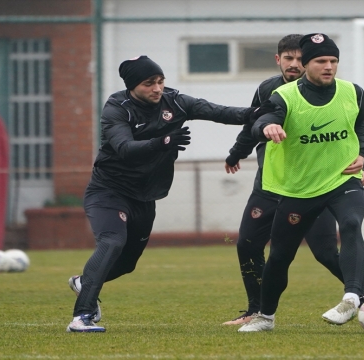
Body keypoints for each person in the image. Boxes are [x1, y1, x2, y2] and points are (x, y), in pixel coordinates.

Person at [66, 55, 256, 332]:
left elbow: (221, 112)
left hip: (145, 197)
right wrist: (164, 141)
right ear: (133, 86)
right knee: (112, 242)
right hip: (109, 191)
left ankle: (84, 282)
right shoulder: (117, 108)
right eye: (149, 83)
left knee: (127, 264)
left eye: (160, 81)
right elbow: (124, 148)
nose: (157, 88)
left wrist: (258, 112)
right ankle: (81, 317)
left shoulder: (175, 101)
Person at [222, 34, 364, 326]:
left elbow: (357, 126)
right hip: (291, 186)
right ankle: (263, 314)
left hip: (339, 180)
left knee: (350, 226)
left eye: (333, 61)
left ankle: (354, 296)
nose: (329, 66)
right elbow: (259, 121)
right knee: (276, 254)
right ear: (306, 64)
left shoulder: (354, 92)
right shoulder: (280, 94)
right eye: (321, 61)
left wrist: (363, 156)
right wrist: (265, 130)